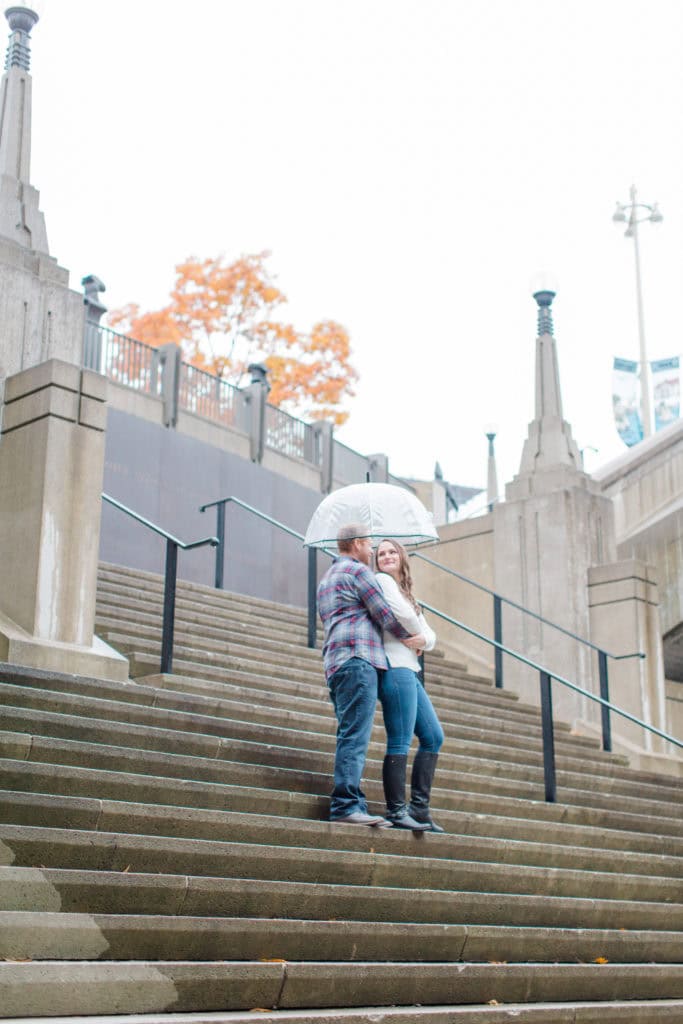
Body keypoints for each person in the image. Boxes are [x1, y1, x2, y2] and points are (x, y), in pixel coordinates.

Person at [317, 524, 426, 827]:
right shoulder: (358, 573)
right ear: (358, 544)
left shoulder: (326, 579)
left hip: (335, 663)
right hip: (358, 660)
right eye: (369, 545)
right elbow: (385, 614)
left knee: (348, 732)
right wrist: (414, 638)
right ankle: (346, 805)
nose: (372, 552)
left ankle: (351, 803)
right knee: (355, 735)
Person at [375, 538, 445, 832]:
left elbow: (431, 635)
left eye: (392, 552)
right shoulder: (381, 581)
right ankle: (396, 810)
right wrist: (421, 635)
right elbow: (404, 617)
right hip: (395, 668)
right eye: (381, 553)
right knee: (400, 739)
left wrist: (424, 640)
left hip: (410, 670)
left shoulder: (405, 591)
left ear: (402, 557)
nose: (387, 556)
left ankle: (420, 809)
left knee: (433, 736)